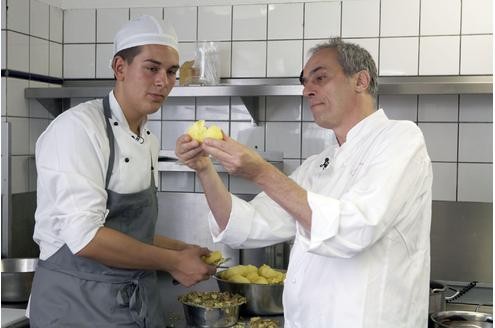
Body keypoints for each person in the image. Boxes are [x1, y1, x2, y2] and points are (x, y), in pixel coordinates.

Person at [176, 38, 433, 327]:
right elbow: (249, 225)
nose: (307, 90)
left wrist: (261, 171)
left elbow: (355, 229)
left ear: (361, 80)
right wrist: (204, 170)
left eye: (320, 78)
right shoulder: (318, 165)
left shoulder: (400, 140)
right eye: (305, 82)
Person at [29, 15, 216, 328]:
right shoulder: (78, 130)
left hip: (132, 306)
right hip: (77, 307)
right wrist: (173, 262)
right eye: (152, 68)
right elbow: (86, 237)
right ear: (120, 68)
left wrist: (180, 249)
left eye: (171, 72)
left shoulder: (147, 138)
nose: (164, 81)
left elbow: (127, 229)